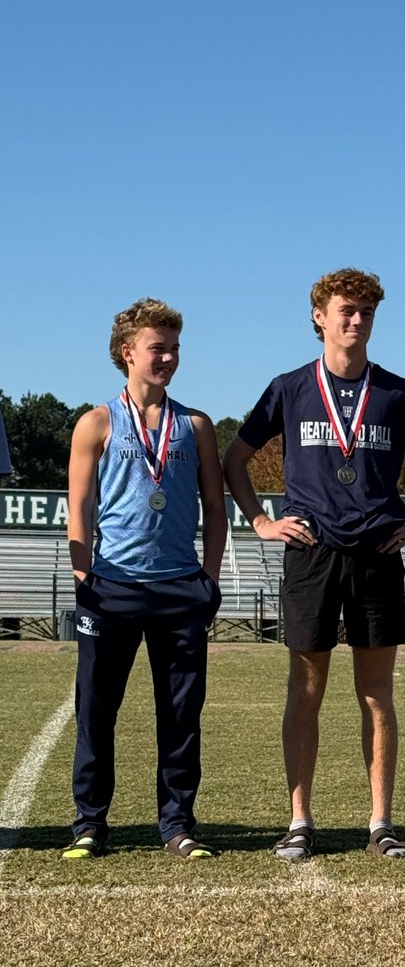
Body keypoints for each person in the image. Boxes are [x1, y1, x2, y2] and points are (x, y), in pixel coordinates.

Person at [223, 268, 405, 862]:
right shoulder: (289, 388)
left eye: (366, 312)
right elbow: (235, 458)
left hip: (377, 554)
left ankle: (381, 822)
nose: (357, 320)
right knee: (306, 691)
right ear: (319, 317)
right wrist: (261, 520)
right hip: (312, 553)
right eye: (346, 310)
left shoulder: (398, 393)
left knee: (376, 695)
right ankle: (299, 820)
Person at [64, 298, 226, 860]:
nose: (169, 358)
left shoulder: (196, 426)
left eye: (175, 348)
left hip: (180, 589)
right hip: (111, 588)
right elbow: (79, 508)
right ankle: (90, 823)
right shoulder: (96, 423)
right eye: (159, 348)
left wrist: (208, 579)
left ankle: (177, 824)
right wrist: (84, 577)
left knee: (180, 714)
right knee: (96, 710)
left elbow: (215, 507)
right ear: (127, 352)